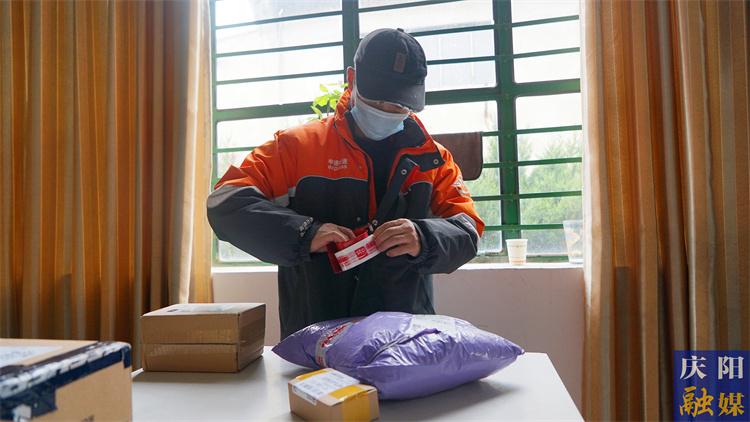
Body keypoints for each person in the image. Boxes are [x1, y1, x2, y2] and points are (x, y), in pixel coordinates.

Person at [207, 28, 484, 339]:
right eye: (377, 100)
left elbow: (467, 230)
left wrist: (424, 236)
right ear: (351, 79)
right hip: (313, 339)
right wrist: (303, 233)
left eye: (398, 105)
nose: (387, 111)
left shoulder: (433, 160)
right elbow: (225, 202)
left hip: (404, 340)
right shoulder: (296, 148)